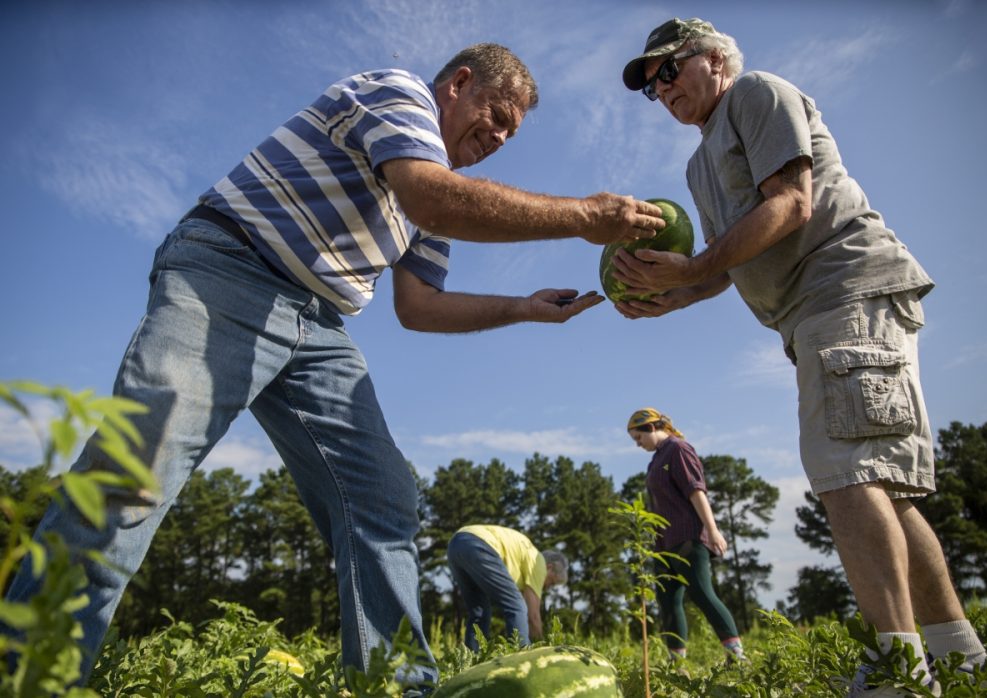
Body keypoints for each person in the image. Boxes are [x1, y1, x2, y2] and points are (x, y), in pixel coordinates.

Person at [3, 42, 666, 694]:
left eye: (510, 134)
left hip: (316, 324)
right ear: (459, 83)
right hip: (229, 269)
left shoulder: (433, 198)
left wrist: (523, 306)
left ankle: (394, 685)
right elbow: (432, 198)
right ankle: (32, 675)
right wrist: (584, 217)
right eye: (496, 115)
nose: (498, 136)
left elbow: (420, 306)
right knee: (137, 466)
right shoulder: (401, 96)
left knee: (383, 498)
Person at [617, 17, 987, 694]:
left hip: (844, 288)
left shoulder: (756, 95)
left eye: (668, 70)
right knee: (883, 486)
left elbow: (791, 204)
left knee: (846, 475)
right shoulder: (699, 163)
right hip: (808, 317)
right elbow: (734, 260)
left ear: (714, 60)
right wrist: (675, 294)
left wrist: (692, 265)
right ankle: (961, 660)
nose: (661, 90)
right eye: (650, 87)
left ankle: (899, 672)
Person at [626, 408, 745, 664]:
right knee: (667, 600)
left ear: (651, 428)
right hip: (663, 544)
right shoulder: (655, 459)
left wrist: (712, 530)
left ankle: (736, 655)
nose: (638, 444)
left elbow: (696, 491)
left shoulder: (678, 449)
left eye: (639, 438)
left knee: (702, 593)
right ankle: (676, 662)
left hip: (688, 536)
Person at [446, 524, 568, 652]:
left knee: (479, 613)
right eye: (552, 582)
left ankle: (471, 660)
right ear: (549, 567)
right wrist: (543, 651)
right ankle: (522, 658)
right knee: (518, 606)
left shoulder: (526, 557)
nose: (548, 587)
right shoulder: (539, 563)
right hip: (479, 544)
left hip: (456, 544)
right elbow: (533, 616)